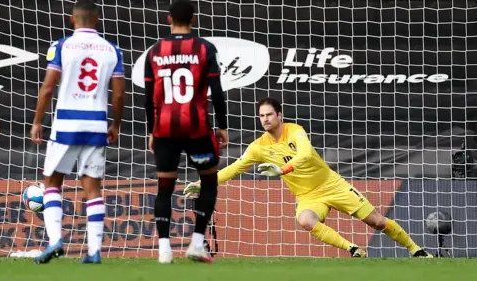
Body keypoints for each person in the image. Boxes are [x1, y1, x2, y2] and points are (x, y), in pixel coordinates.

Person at [184, 97, 434, 258]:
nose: (265, 119)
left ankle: (416, 250)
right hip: (307, 196)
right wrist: (204, 183)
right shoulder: (258, 147)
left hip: (332, 184)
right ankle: (354, 250)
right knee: (305, 220)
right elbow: (234, 168)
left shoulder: (296, 131)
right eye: (261, 116)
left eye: (269, 114)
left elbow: (303, 156)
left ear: (280, 115)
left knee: (378, 222)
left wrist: (282, 170)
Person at [30, 0, 125, 265]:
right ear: (97, 20)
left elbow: (48, 88)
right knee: (92, 188)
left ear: (72, 19)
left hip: (66, 125)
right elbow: (119, 94)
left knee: (52, 182)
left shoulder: (61, 46)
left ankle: (55, 241)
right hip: (96, 124)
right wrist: (115, 124)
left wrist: (38, 121)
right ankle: (94, 251)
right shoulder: (113, 50)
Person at [144, 0, 228, 264]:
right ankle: (196, 243)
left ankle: (164, 251)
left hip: (165, 129)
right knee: (209, 181)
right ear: (193, 19)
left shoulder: (155, 51)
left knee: (165, 188)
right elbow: (217, 92)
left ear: (168, 19)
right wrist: (222, 125)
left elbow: (148, 97)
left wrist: (151, 130)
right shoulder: (204, 48)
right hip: (197, 129)